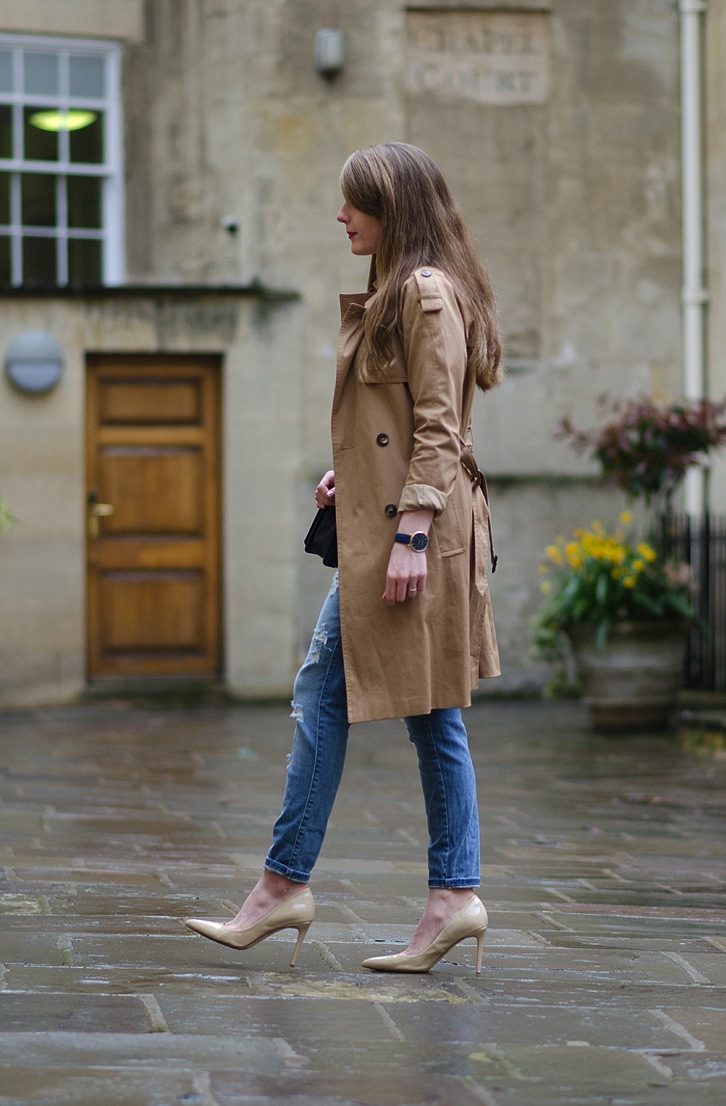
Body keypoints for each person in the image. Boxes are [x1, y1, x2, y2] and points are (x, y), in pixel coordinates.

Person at [185, 142, 502, 974]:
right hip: (402, 518)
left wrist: (408, 533)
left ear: (390, 211)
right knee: (411, 709)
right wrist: (356, 471)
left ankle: (296, 887)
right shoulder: (409, 291)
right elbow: (402, 422)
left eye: (352, 204)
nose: (340, 217)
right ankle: (439, 897)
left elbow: (437, 427)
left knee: (376, 700)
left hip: (417, 533)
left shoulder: (425, 294)